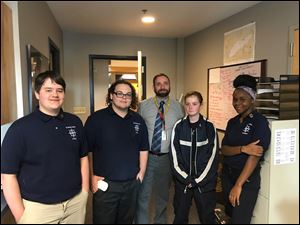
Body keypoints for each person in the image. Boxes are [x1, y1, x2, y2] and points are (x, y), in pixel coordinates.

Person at [1, 71, 89, 224]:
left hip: (75, 203)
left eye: (59, 90)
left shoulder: (74, 122)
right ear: (37, 94)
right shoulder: (20, 129)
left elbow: (83, 158)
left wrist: (84, 193)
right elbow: (7, 175)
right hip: (38, 210)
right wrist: (21, 216)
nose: (55, 94)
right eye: (48, 90)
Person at [85, 79, 149, 224]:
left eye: (128, 94)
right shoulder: (96, 120)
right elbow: (87, 151)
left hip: (131, 184)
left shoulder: (138, 120)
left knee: (126, 221)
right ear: (111, 96)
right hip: (105, 185)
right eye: (119, 93)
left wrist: (142, 173)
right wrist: (91, 177)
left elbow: (143, 148)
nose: (124, 97)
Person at [221, 74, 271, 224]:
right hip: (228, 175)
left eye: (242, 99)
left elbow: (255, 155)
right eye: (235, 99)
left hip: (246, 180)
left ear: (252, 99)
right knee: (230, 214)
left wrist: (238, 185)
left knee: (240, 220)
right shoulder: (232, 122)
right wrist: (243, 148)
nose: (237, 103)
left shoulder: (260, 122)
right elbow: (224, 149)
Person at [135, 73, 185, 224]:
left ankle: (160, 221)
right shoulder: (143, 106)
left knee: (163, 196)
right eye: (158, 84)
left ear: (169, 86)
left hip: (167, 158)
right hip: (147, 158)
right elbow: (137, 130)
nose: (162, 86)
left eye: (165, 83)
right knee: (143, 194)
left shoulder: (179, 107)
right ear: (153, 87)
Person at [170, 91, 219, 224]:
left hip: (204, 182)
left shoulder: (209, 127)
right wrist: (186, 179)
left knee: (207, 217)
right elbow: (175, 157)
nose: (190, 107)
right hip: (183, 182)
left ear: (200, 105)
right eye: (187, 104)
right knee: (179, 216)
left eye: (194, 104)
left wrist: (198, 180)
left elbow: (212, 158)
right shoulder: (178, 127)